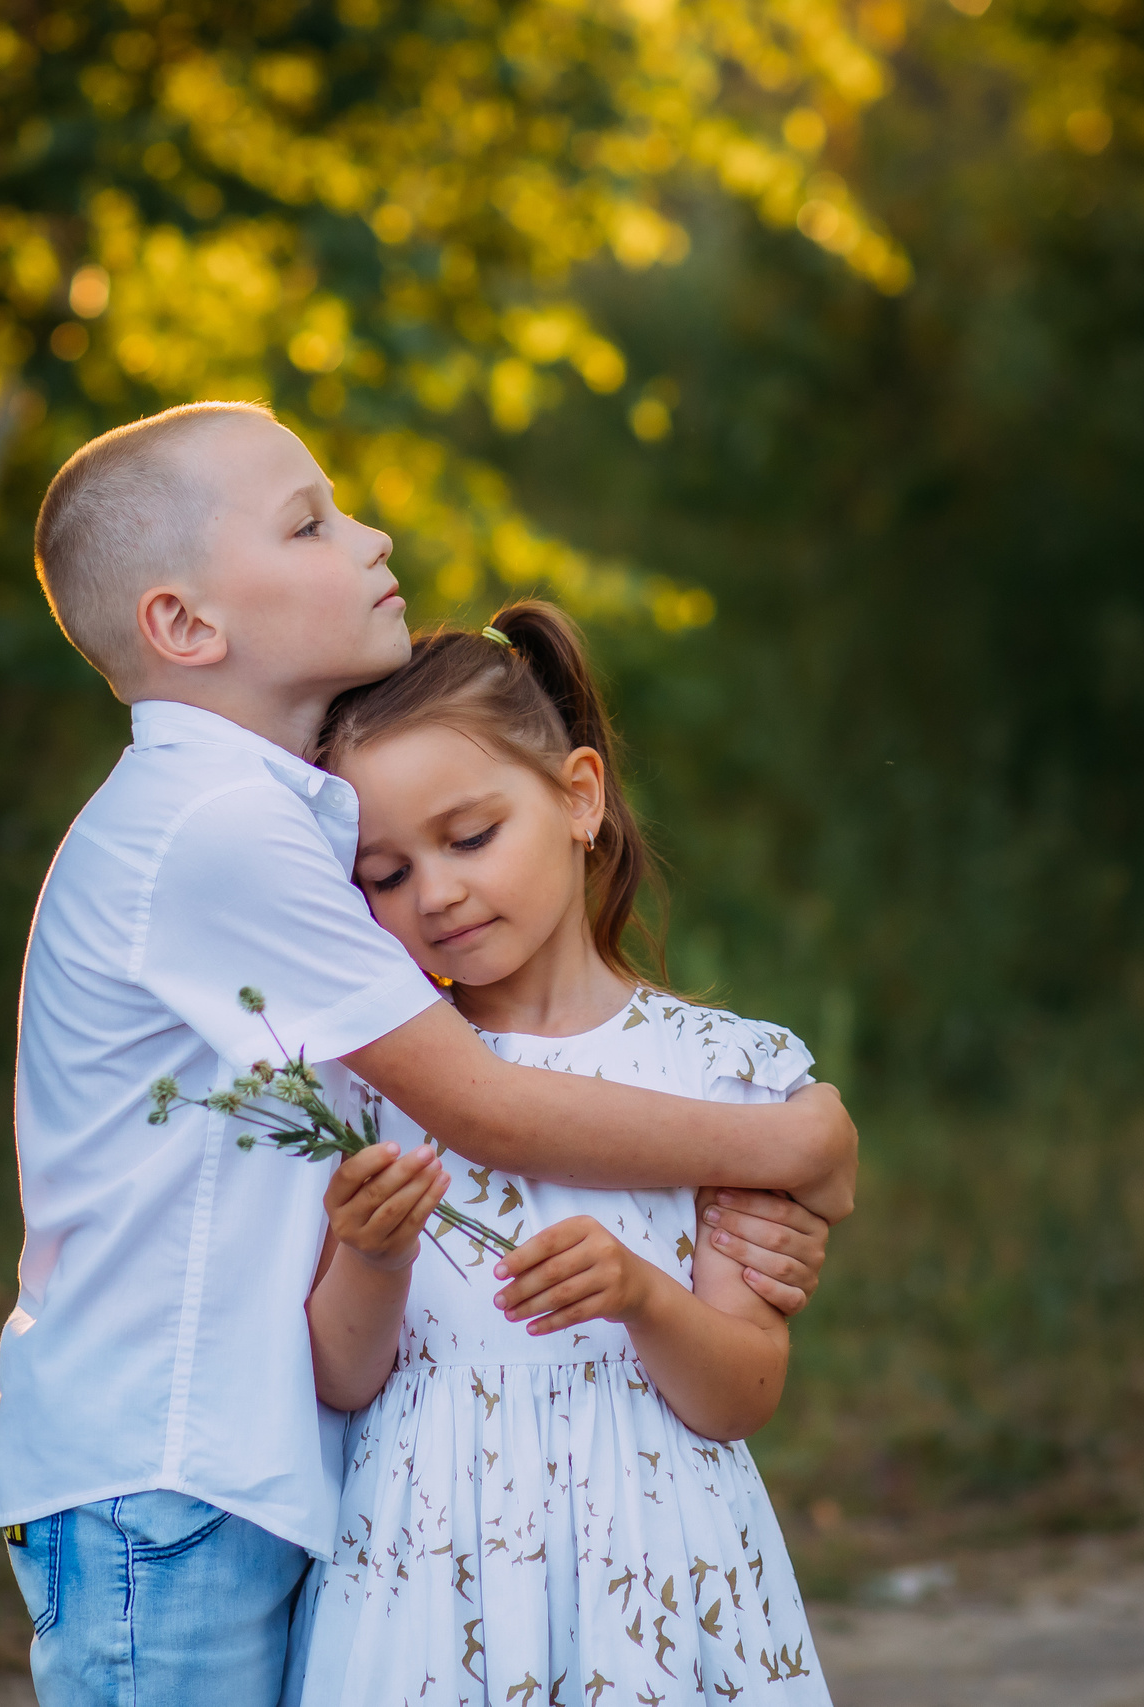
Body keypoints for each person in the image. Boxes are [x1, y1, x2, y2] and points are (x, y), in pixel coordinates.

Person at [0, 401, 854, 1707]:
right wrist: (796, 1143)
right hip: (169, 1466)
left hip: (241, 1464)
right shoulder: (222, 824)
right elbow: (490, 1107)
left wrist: (715, 1207)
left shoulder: (286, 818)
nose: (371, 533)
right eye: (309, 520)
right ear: (184, 624)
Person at [293, 602, 833, 1706]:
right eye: (383, 874)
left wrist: (643, 1295)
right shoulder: (372, 1080)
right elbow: (342, 1376)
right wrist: (375, 1257)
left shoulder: (720, 1072)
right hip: (428, 1575)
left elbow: (741, 1394)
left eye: (469, 837)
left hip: (653, 1569)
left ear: (579, 797)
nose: (433, 893)